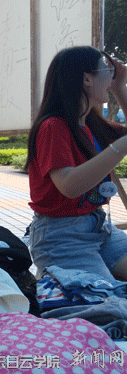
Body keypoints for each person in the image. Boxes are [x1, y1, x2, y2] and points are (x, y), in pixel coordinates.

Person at [25, 45, 127, 282]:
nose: (111, 77)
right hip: (60, 236)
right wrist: (120, 147)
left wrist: (119, 88)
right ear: (87, 79)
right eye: (107, 70)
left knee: (108, 295)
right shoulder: (53, 127)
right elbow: (69, 186)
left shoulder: (90, 123)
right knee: (105, 300)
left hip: (98, 226)